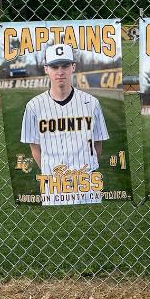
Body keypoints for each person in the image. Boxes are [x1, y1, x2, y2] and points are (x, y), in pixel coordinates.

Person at [20, 43, 109, 206]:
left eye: (65, 65)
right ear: (46, 69)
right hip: (52, 185)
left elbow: (98, 145)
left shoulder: (91, 103)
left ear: (73, 67)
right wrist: (51, 173)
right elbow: (35, 148)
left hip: (87, 182)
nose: (60, 72)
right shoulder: (34, 106)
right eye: (55, 67)